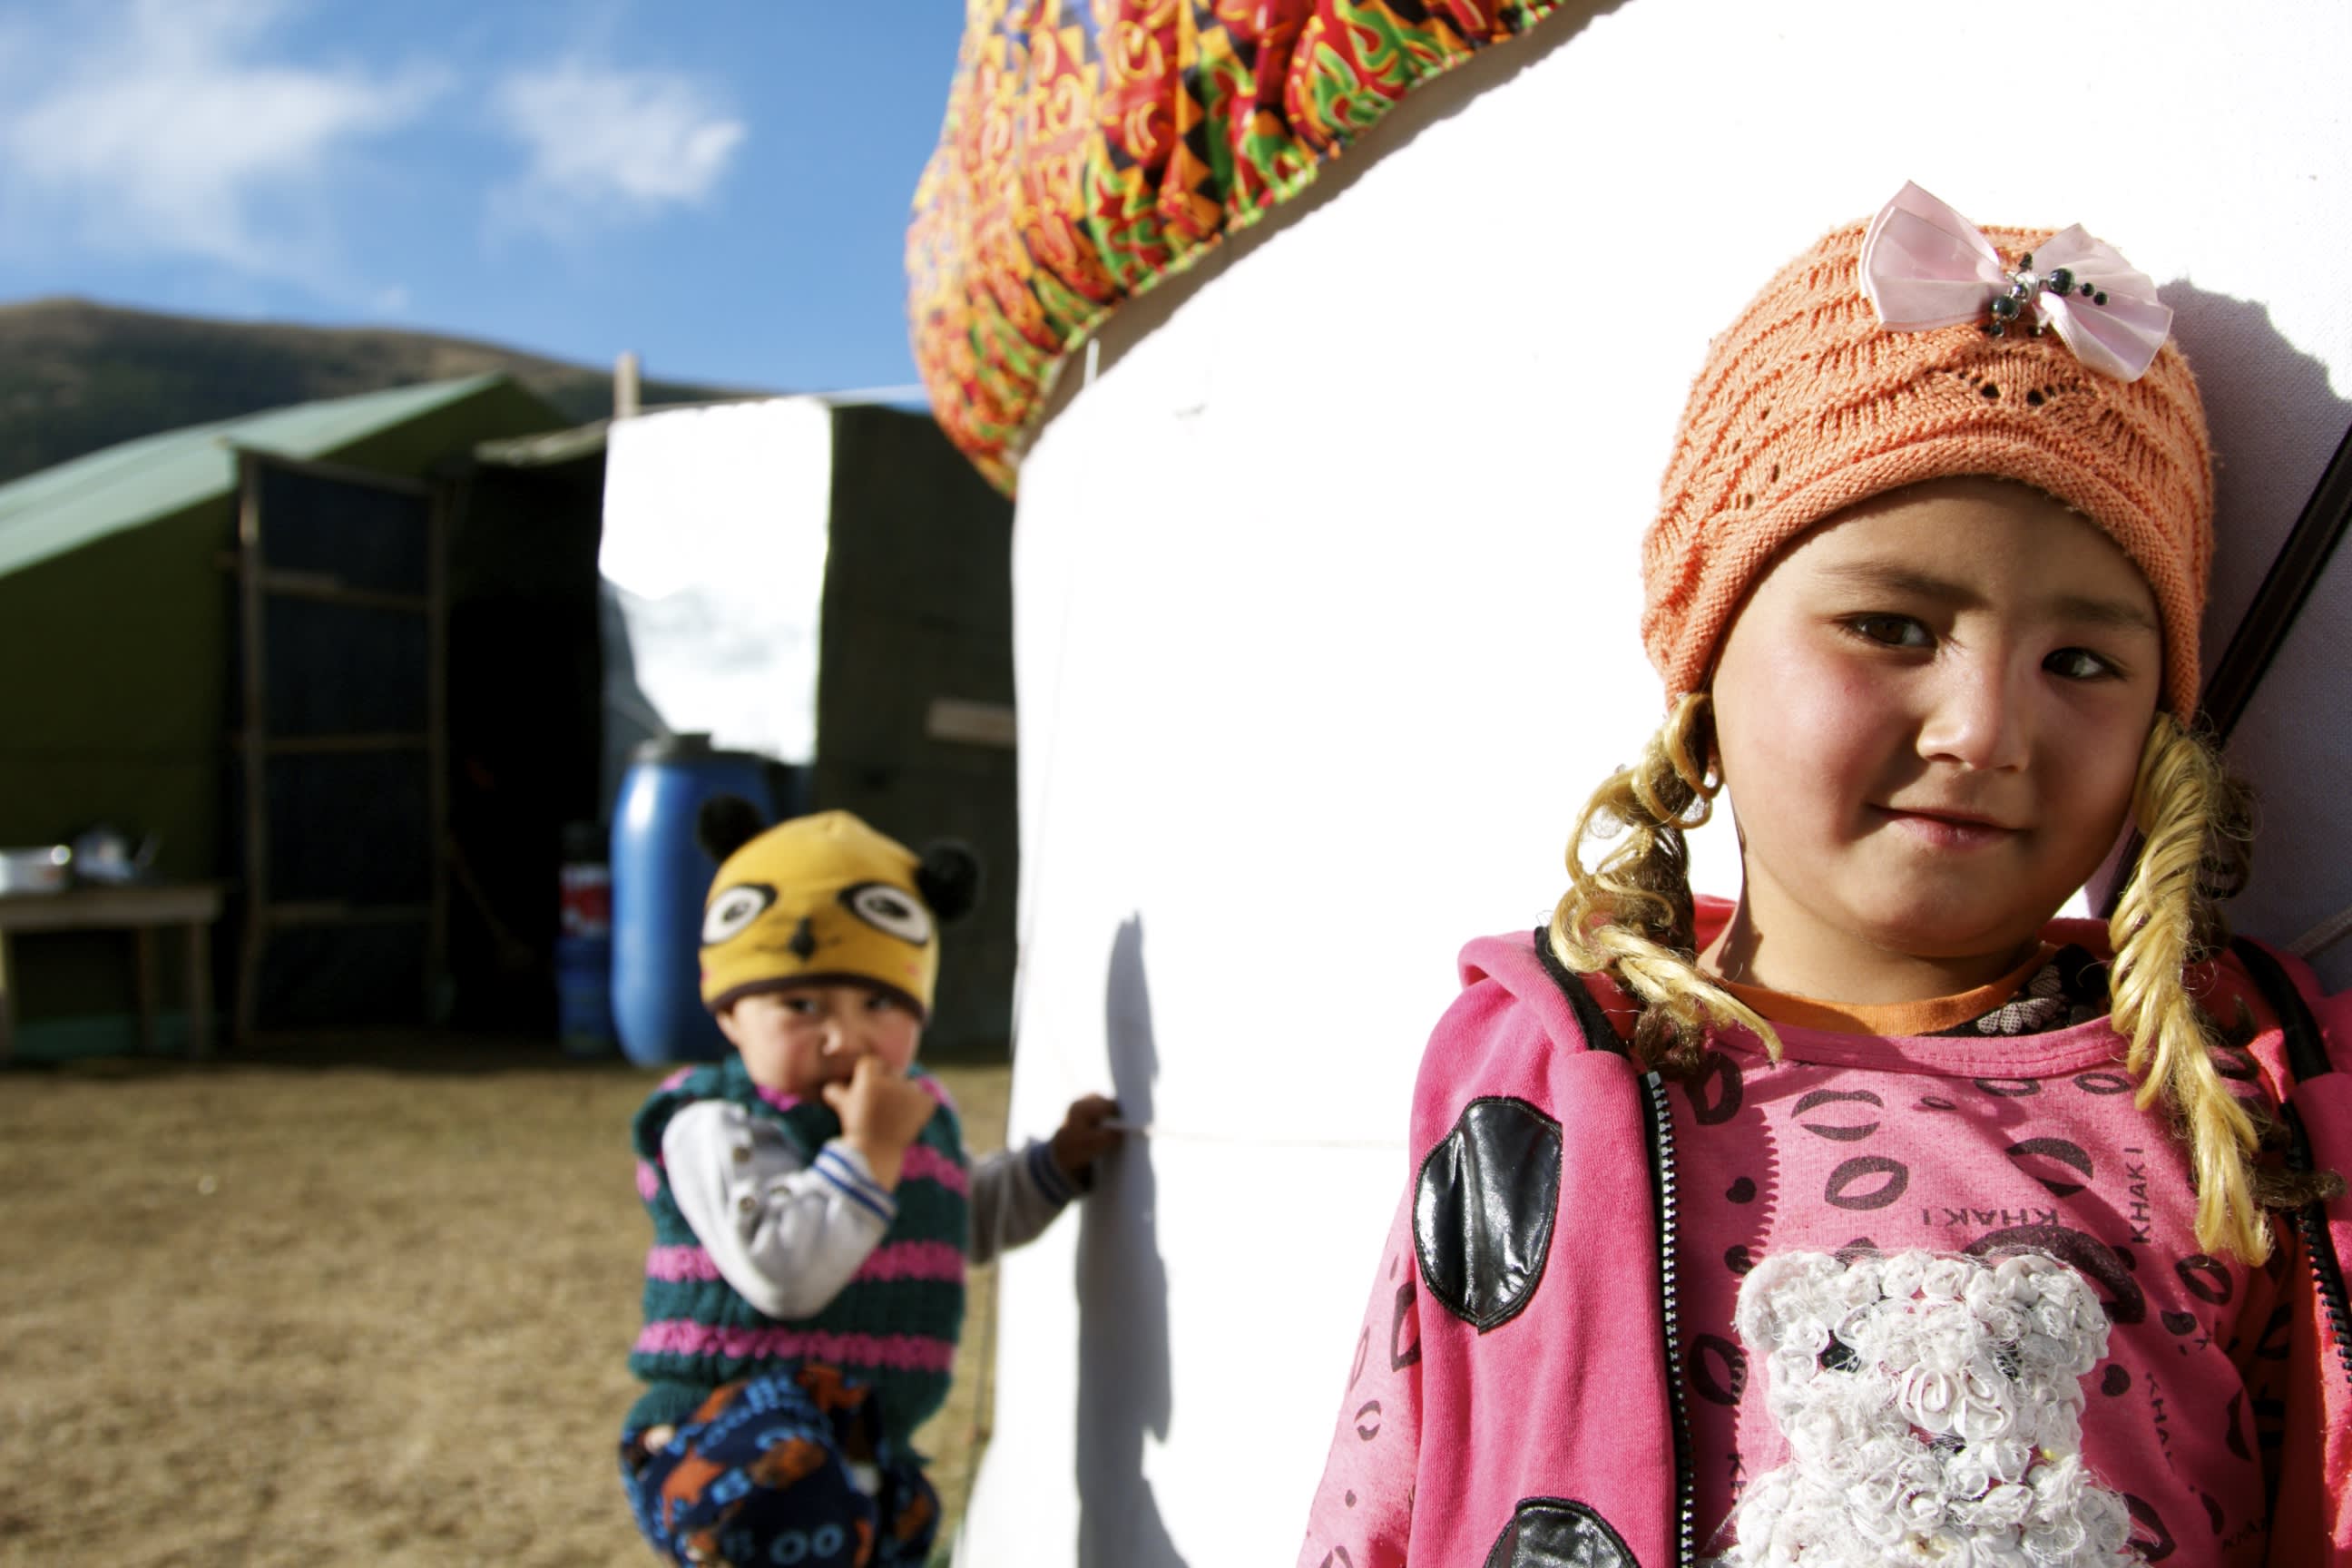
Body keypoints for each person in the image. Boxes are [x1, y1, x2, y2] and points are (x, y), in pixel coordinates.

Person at [1298, 183, 2352, 1567]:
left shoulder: (2239, 1112)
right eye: (1891, 625)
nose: (1984, 728)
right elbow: (1383, 1502)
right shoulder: (1547, 1079)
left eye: (2082, 662)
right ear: (1708, 655)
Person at [619, 804, 1121, 1567]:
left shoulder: (909, 1115)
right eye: (800, 1004)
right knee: (794, 1495)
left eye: (879, 1004)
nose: (844, 1036)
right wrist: (868, 1147)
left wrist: (1052, 1169)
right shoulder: (713, 1122)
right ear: (729, 1013)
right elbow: (785, 1272)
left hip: (863, 1444)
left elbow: (948, 1219)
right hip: (728, 1443)